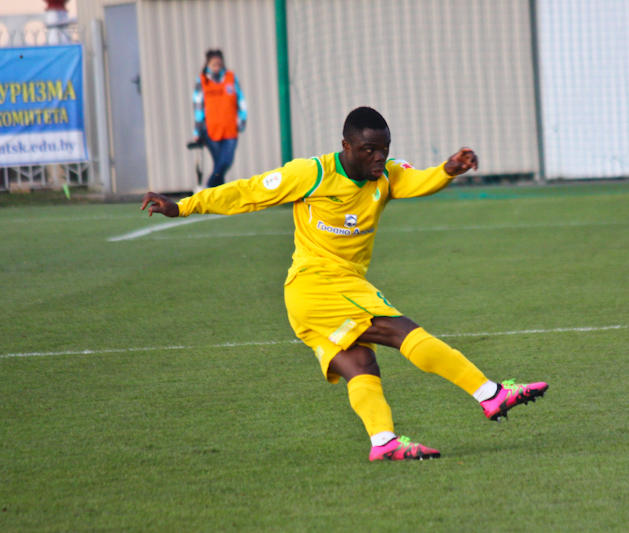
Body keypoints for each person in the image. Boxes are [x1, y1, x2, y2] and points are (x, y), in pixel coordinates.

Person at [142, 107, 548, 461]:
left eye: (384, 148)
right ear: (346, 146)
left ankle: (384, 442)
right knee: (400, 330)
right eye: (369, 149)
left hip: (321, 295)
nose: (379, 156)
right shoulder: (312, 173)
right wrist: (183, 206)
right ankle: (490, 394)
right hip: (317, 284)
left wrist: (447, 170)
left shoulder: (385, 176)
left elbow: (417, 180)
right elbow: (247, 192)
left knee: (361, 364)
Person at [192, 49, 247, 188]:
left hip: (230, 128)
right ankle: (216, 193)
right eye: (213, 65)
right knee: (219, 164)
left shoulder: (231, 77)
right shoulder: (202, 80)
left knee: (226, 161)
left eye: (219, 64)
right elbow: (198, 106)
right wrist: (197, 131)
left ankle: (207, 188)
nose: (217, 67)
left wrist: (242, 120)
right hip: (211, 130)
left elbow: (240, 100)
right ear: (208, 65)